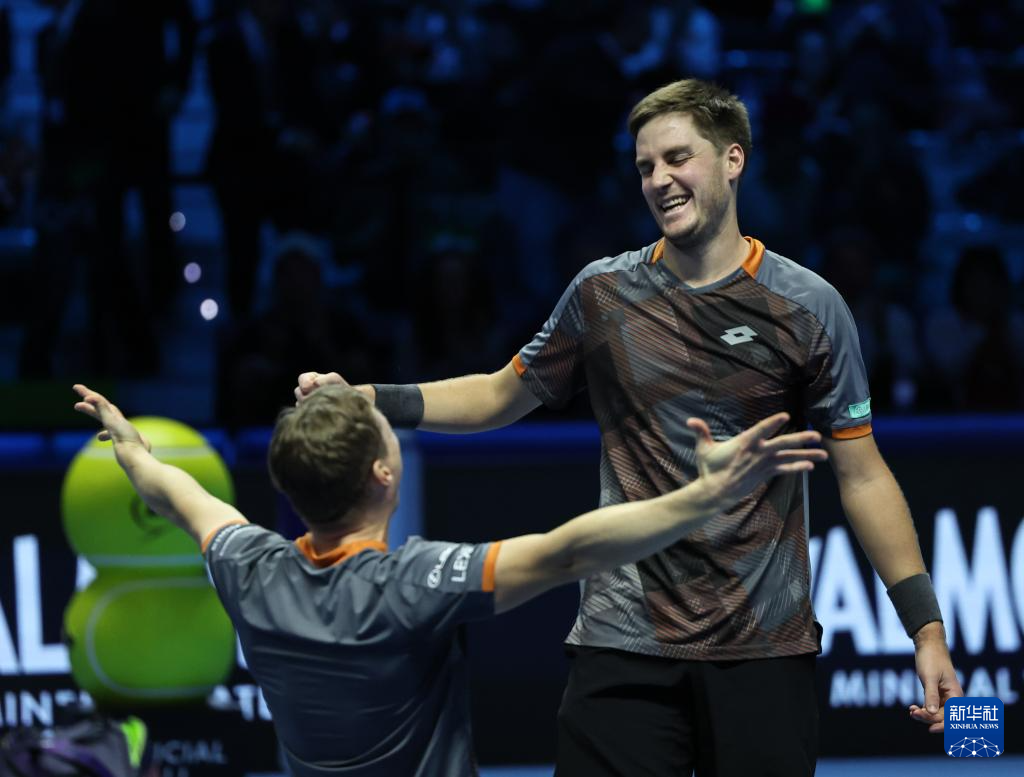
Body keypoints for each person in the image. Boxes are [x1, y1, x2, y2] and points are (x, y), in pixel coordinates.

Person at [295, 79, 962, 776]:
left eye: (677, 158)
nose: (659, 180)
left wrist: (926, 629)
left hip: (762, 647)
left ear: (733, 159)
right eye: (645, 166)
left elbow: (862, 474)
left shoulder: (808, 307)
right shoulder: (603, 294)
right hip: (623, 642)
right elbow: (496, 396)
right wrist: (368, 397)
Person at [71, 382, 827, 777]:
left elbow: (175, 495)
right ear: (383, 473)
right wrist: (703, 498)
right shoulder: (413, 585)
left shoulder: (248, 569)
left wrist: (130, 447)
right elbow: (566, 553)